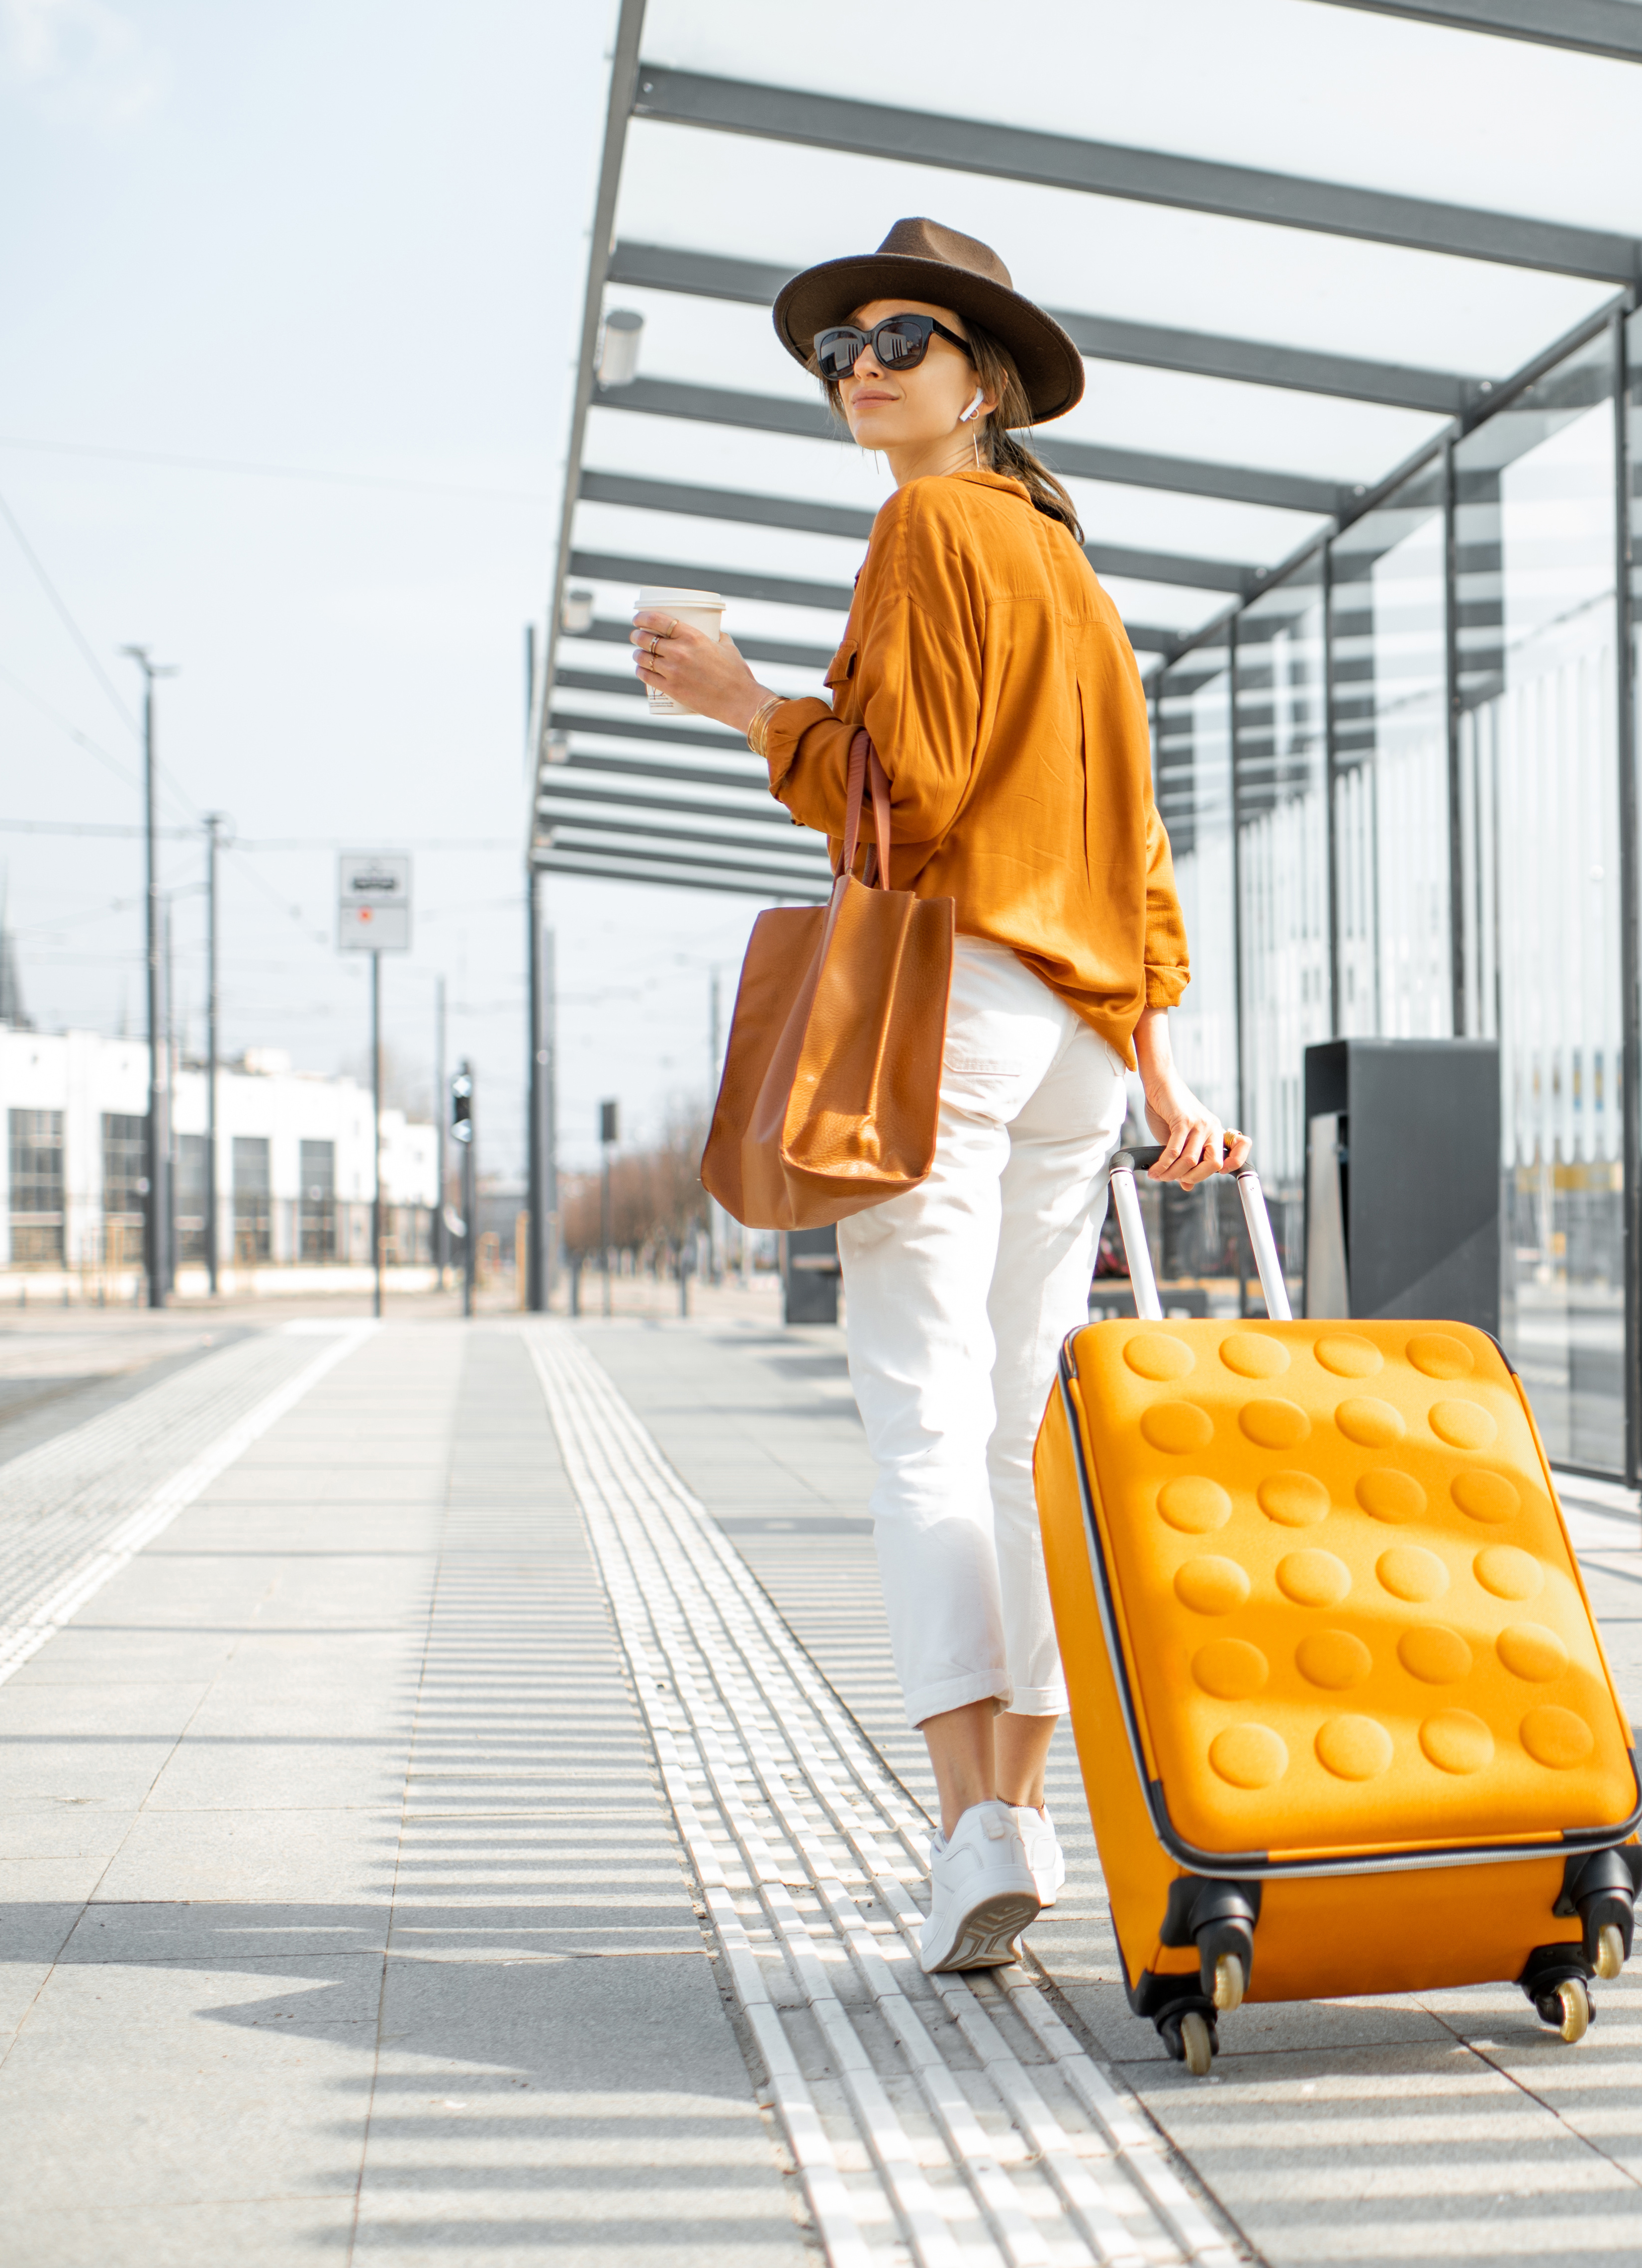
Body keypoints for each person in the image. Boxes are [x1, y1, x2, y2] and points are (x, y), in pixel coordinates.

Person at [632, 217, 1248, 1972]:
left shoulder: (929, 527)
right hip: (1072, 1041)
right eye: (842, 352)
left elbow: (896, 793)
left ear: (983, 383)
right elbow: (1135, 856)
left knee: (920, 1418)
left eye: (901, 340)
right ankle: (1021, 1821)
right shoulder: (1083, 585)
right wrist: (1160, 1067)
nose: (862, 369)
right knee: (1015, 1430)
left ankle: (973, 1827)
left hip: (960, 1002)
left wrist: (751, 702)